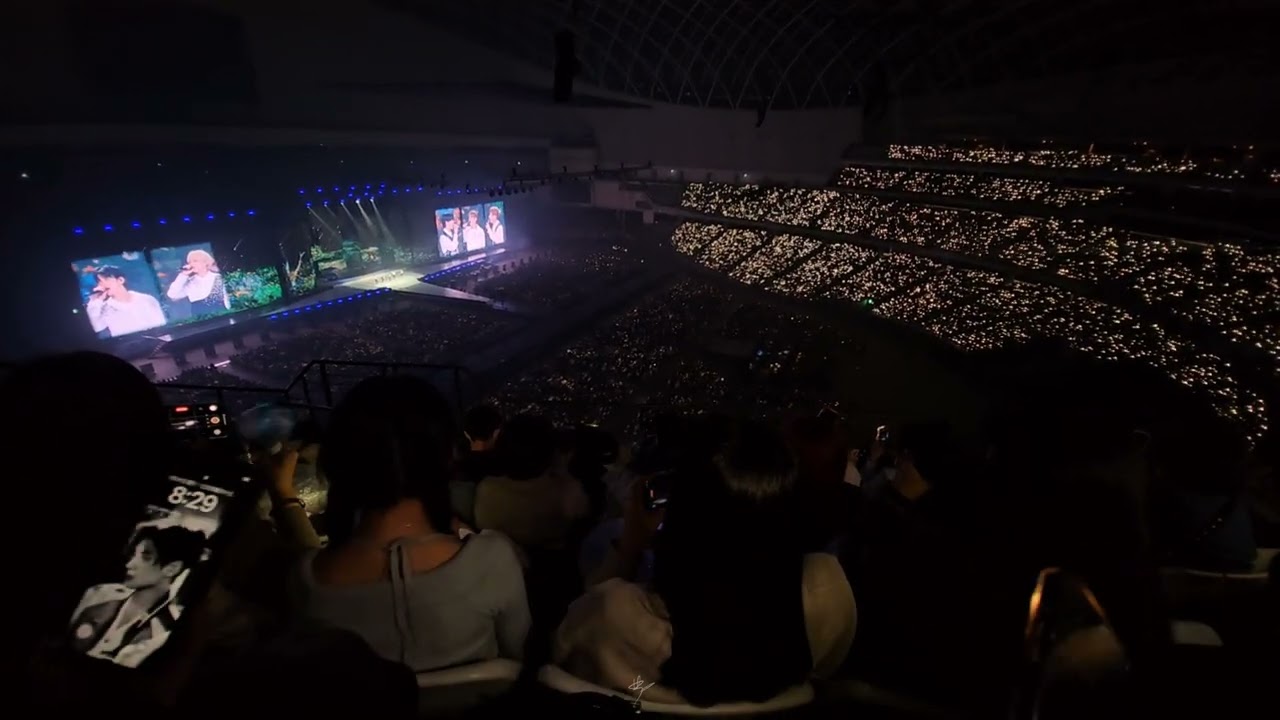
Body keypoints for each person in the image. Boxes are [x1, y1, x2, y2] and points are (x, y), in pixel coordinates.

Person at [554, 419, 856, 706]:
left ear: (683, 516)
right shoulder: (827, 588)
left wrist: (630, 545)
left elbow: (563, 656)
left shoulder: (609, 613)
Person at [292, 376, 530, 671]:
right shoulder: (494, 558)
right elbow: (519, 655)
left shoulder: (303, 585)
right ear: (446, 457)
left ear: (337, 463)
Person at [70, 524, 207, 668]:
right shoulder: (99, 595)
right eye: (133, 555)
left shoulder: (169, 628)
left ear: (171, 568)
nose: (129, 564)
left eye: (146, 557)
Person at [85, 266, 167, 337]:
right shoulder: (104, 308)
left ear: (120, 280)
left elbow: (161, 327)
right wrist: (96, 301)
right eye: (99, 282)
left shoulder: (146, 300)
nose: (102, 284)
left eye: (105, 279)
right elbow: (96, 327)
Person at [165, 249, 230, 315]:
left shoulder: (218, 277)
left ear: (205, 262)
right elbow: (172, 294)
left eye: (195, 261)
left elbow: (227, 299)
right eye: (189, 262)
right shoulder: (190, 282)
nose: (191, 264)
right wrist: (183, 275)